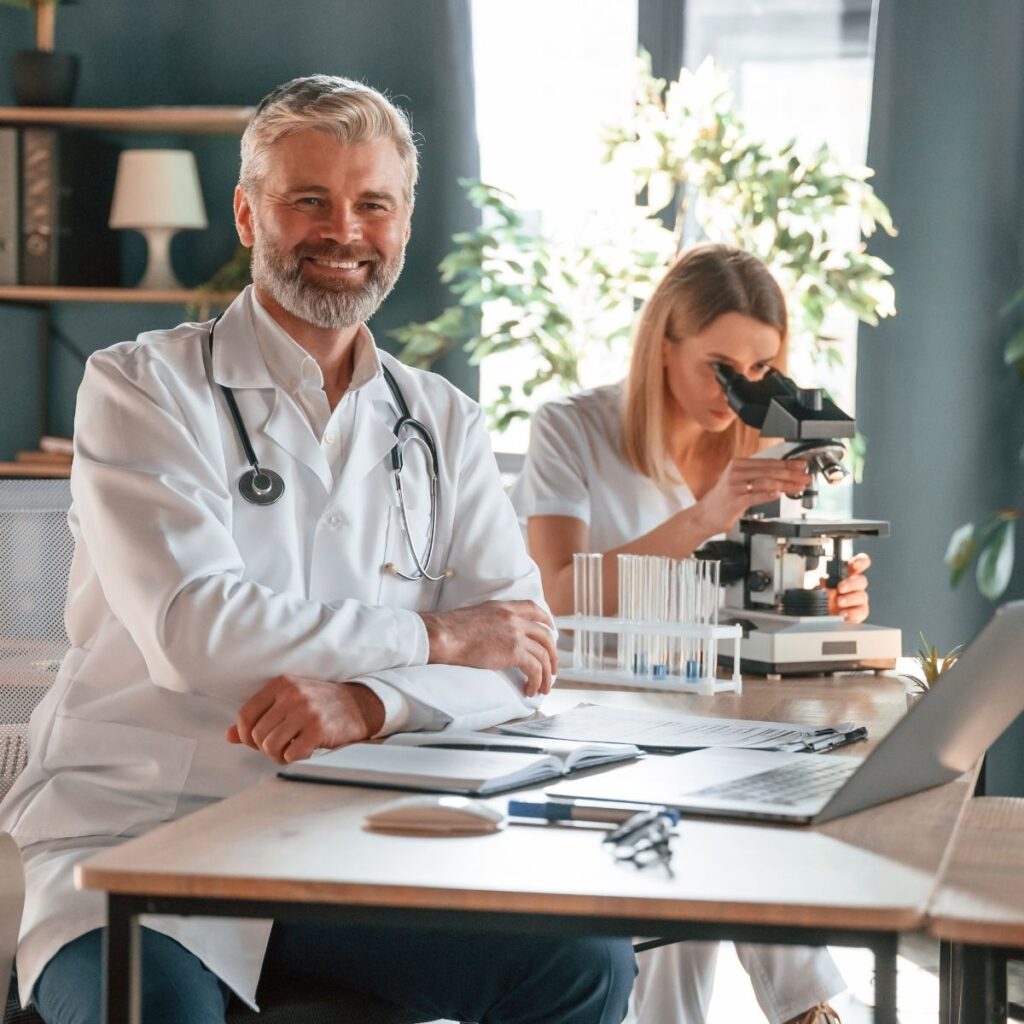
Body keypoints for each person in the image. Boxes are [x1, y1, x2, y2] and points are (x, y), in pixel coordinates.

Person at [0, 75, 636, 1024]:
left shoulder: (443, 421)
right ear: (249, 216)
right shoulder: (141, 389)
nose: (343, 231)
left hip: (351, 840)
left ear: (403, 224)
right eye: (308, 201)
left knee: (581, 963)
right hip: (144, 839)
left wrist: (370, 702)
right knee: (152, 1009)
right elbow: (197, 634)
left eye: (371, 204)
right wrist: (441, 639)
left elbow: (523, 662)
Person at [512, 244, 869, 1024]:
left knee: (717, 810)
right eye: (719, 365)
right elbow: (555, 592)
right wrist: (707, 516)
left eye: (760, 367)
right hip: (587, 706)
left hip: (709, 706)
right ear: (664, 345)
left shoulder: (758, 443)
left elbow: (755, 594)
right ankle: (811, 1013)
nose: (735, 389)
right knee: (698, 819)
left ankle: (799, 1015)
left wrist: (825, 600)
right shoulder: (571, 429)